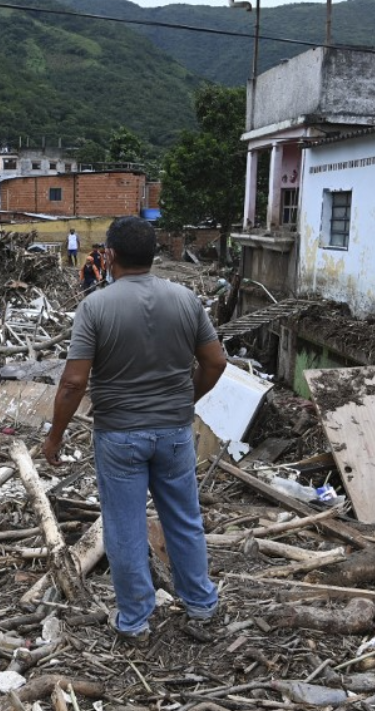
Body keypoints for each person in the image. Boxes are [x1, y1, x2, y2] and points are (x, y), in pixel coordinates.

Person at [43, 215, 227, 643]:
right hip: (174, 431)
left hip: (120, 435)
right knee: (183, 519)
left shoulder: (95, 307)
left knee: (124, 526)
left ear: (109, 256)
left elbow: (73, 382)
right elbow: (215, 362)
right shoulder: (185, 299)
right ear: (153, 256)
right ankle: (201, 606)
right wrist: (185, 401)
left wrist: (54, 436)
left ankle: (135, 621)